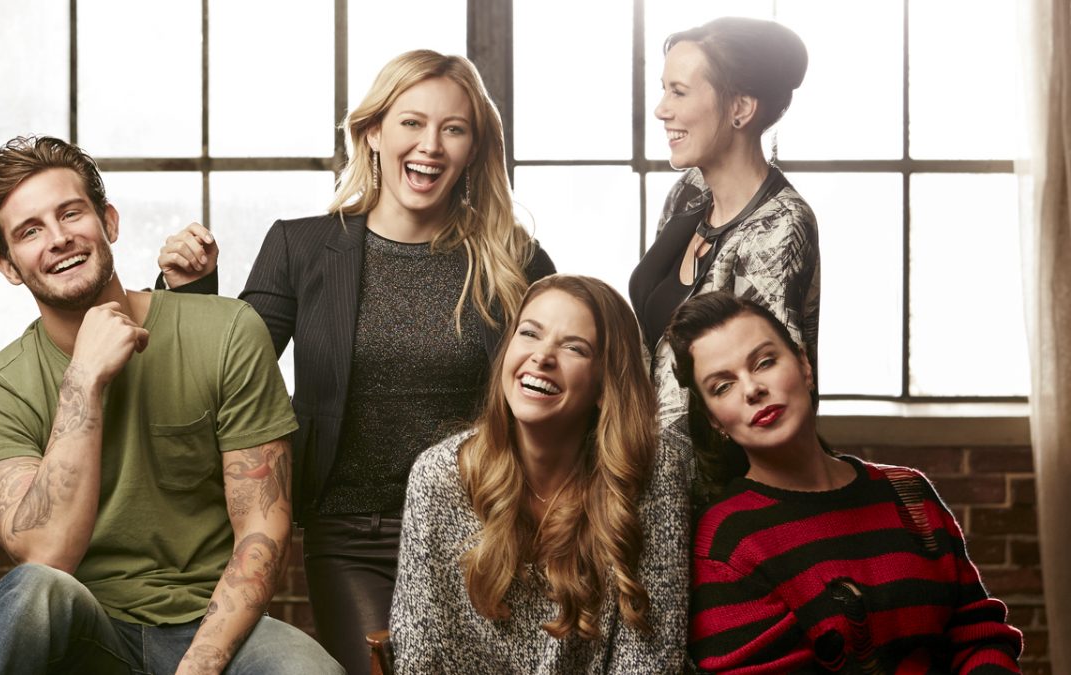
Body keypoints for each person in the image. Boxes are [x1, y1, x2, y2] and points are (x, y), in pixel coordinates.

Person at [157, 50, 556, 674]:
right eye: (411, 123)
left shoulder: (515, 259)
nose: (430, 145)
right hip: (351, 536)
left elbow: (561, 388)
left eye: (453, 129)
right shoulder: (301, 247)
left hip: (483, 530)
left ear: (475, 148)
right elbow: (227, 379)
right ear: (372, 132)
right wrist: (191, 291)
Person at [0, 136, 341, 675]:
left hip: (213, 622)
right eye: (29, 231)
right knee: (34, 587)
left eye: (70, 213)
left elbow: (262, 525)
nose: (58, 238)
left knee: (310, 671)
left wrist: (201, 665)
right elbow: (47, 554)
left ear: (108, 221)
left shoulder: (227, 331)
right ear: (9, 265)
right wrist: (83, 378)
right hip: (87, 634)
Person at [667, 291, 1023, 672]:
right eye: (723, 386)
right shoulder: (726, 544)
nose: (752, 389)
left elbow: (978, 635)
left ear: (804, 365)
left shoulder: (908, 493)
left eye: (765, 362)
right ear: (714, 420)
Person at [389, 275, 689, 673]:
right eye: (530, 333)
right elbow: (420, 654)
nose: (542, 356)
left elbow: (651, 660)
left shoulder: (648, 469)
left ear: (605, 384)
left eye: (574, 348)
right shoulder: (439, 476)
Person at [629, 16, 820, 492]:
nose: (661, 110)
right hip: (650, 466)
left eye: (678, 92)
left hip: (719, 486)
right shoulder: (689, 191)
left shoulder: (781, 226)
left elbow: (759, 399)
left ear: (740, 107)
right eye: (664, 91)